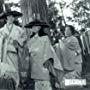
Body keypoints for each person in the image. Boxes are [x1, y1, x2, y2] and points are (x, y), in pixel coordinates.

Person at [24, 19, 63, 90]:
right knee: (37, 83)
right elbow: (28, 50)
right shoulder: (31, 39)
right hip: (34, 63)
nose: (33, 28)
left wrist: (47, 60)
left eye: (36, 26)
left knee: (45, 82)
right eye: (32, 27)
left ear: (39, 27)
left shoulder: (45, 37)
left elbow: (48, 50)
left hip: (43, 62)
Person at [0, 10, 25, 89]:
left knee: (14, 70)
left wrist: (17, 41)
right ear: (6, 18)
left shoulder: (19, 29)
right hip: (4, 53)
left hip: (13, 52)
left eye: (12, 17)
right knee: (5, 72)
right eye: (8, 17)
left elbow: (24, 38)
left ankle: (16, 86)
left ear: (14, 18)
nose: (10, 18)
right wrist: (3, 38)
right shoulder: (1, 30)